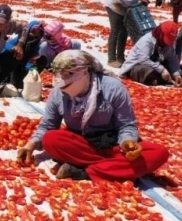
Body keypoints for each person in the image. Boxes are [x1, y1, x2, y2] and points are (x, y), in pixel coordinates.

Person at [17, 50, 169, 182]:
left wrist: (127, 142)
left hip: (112, 144)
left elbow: (126, 124)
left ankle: (84, 171)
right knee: (51, 139)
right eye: (59, 77)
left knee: (159, 153)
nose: (63, 84)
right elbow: (48, 126)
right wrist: (31, 145)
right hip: (81, 143)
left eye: (69, 77)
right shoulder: (58, 93)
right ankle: (116, 168)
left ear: (85, 72)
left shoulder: (112, 88)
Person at [102, 0, 170, 68]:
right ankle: (111, 59)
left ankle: (120, 58)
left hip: (125, 6)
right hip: (115, 2)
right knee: (115, 31)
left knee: (124, 32)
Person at [119, 21, 182, 87]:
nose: (167, 43)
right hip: (137, 66)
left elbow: (172, 58)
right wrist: (162, 69)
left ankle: (160, 79)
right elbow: (143, 60)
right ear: (160, 34)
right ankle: (158, 78)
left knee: (181, 68)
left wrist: (176, 75)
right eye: (166, 39)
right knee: (149, 72)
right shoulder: (146, 41)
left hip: (155, 65)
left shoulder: (168, 45)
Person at [2, 20, 45, 88]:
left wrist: (32, 67)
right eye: (33, 31)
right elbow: (5, 45)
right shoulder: (19, 40)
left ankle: (28, 80)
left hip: (23, 67)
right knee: (15, 54)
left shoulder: (36, 46)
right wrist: (14, 48)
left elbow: (31, 59)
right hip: (12, 66)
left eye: (38, 33)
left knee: (42, 60)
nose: (35, 35)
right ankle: (8, 79)